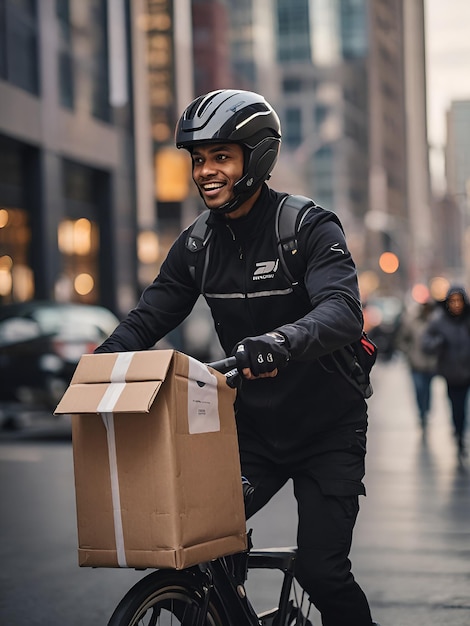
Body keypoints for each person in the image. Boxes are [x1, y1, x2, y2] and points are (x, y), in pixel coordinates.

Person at [95, 89, 379, 626]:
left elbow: (343, 312)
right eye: (198, 159)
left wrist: (281, 341)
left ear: (257, 157)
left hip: (329, 431)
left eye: (220, 157)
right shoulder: (198, 245)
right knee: (198, 544)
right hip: (253, 430)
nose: (205, 171)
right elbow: (148, 317)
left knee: (323, 572)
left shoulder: (308, 228)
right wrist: (99, 365)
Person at [422, 285, 470, 460]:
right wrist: (438, 343)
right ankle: (458, 435)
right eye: (453, 301)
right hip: (451, 374)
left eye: (459, 301)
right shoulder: (438, 321)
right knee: (457, 408)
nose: (456, 305)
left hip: (467, 371)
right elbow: (425, 344)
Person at [397, 298, 437, 437]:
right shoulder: (412, 322)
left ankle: (426, 412)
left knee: (427, 390)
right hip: (415, 363)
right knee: (419, 389)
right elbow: (402, 339)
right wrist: (408, 352)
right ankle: (421, 413)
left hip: (430, 364)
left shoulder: (434, 322)